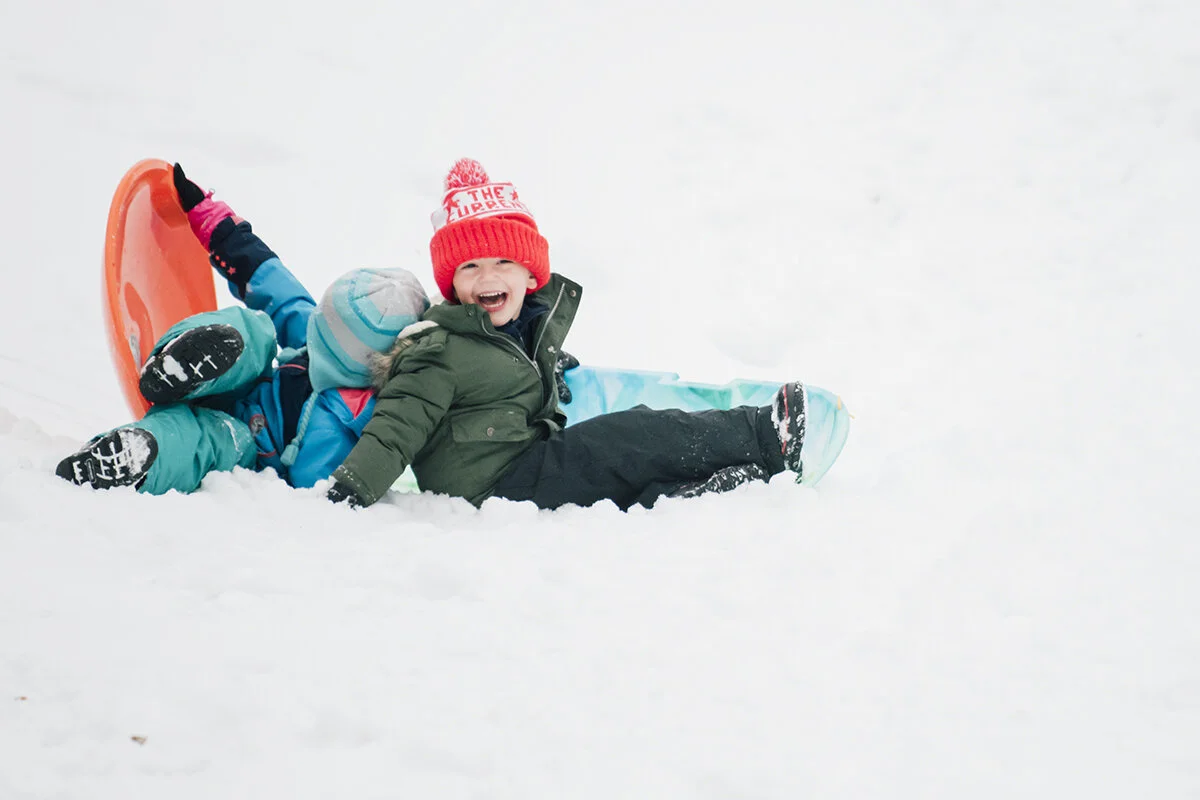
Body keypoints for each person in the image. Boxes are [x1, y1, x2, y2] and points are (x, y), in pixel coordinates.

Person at [324, 158, 822, 511]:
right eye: (470, 266)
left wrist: (547, 365)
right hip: (499, 484)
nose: (487, 277)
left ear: (529, 276)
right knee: (628, 437)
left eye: (503, 262)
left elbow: (498, 381)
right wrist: (351, 488)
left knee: (624, 458)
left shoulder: (514, 334)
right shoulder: (438, 350)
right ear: (451, 284)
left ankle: (695, 491)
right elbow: (397, 426)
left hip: (523, 469)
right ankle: (762, 436)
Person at [56, 165, 430, 494]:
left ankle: (139, 455)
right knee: (256, 331)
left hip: (250, 446)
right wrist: (209, 218)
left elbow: (311, 488)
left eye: (325, 331)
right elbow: (265, 274)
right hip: (238, 383)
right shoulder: (319, 336)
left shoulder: (347, 427)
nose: (313, 329)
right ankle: (179, 361)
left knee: (211, 442)